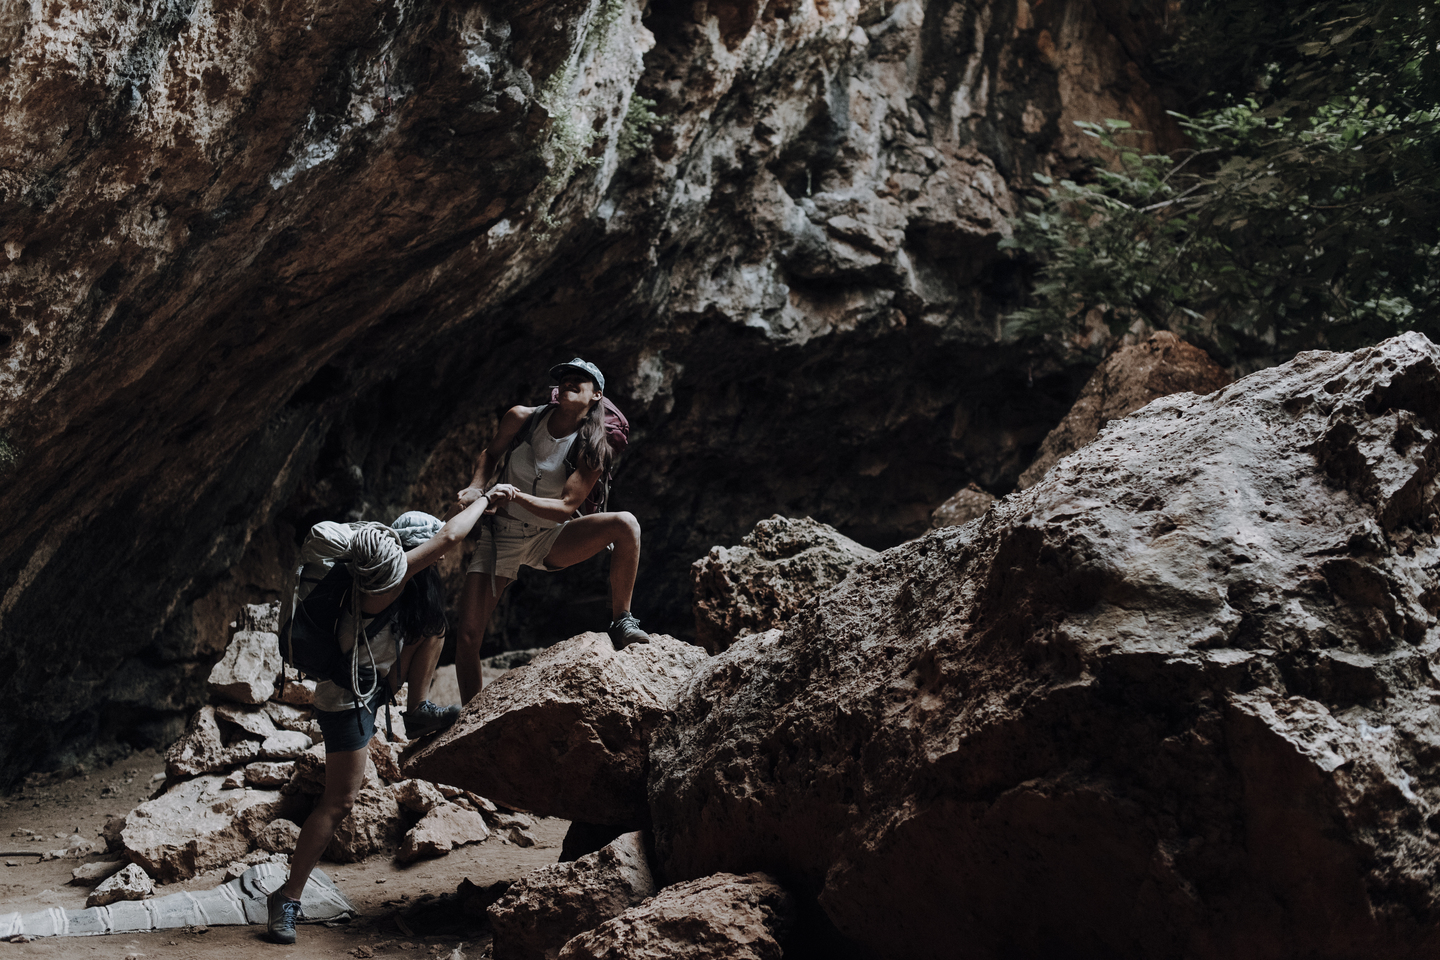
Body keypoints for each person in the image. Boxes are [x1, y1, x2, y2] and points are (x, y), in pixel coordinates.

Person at [266, 498, 490, 945]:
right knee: (339, 802)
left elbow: (421, 628)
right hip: (345, 701)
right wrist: (485, 496)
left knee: (435, 625)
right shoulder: (386, 580)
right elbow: (450, 536)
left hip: (368, 689)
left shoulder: (401, 590)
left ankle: (418, 710)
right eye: (430, 557)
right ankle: (286, 898)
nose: (439, 562)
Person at [453, 358, 647, 705]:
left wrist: (514, 494)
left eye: (580, 379)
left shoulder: (593, 445)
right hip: (502, 534)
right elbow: (491, 452)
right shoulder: (522, 418)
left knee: (626, 524)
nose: (570, 381)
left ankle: (622, 620)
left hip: (550, 536)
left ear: (596, 395)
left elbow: (565, 507)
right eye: (565, 378)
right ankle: (470, 717)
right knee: (467, 637)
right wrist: (475, 485)